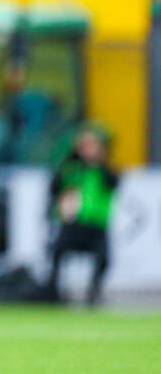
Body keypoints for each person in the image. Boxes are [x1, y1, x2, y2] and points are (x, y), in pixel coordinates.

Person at [45, 125, 118, 305]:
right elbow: (54, 186)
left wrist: (98, 161)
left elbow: (113, 183)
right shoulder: (71, 167)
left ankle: (94, 291)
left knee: (103, 258)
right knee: (57, 252)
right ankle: (53, 290)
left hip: (96, 223)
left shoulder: (105, 169)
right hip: (72, 222)